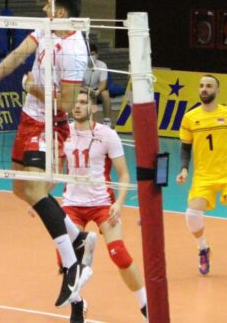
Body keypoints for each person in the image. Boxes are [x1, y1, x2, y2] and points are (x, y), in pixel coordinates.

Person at [0, 0, 95, 307]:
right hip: (28, 119)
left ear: (63, 13)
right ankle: (79, 237)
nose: (44, 8)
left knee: (35, 189)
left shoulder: (74, 50)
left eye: (50, 5)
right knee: (21, 189)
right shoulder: (44, 29)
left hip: (50, 126)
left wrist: (32, 87)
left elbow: (68, 105)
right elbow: (16, 57)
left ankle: (71, 265)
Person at [62, 92, 147, 322]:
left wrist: (119, 203)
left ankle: (145, 305)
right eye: (75, 102)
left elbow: (124, 174)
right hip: (72, 204)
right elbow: (55, 170)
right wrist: (39, 198)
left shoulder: (108, 135)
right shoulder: (63, 133)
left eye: (83, 102)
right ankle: (78, 304)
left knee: (118, 253)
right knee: (66, 262)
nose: (77, 106)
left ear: (93, 108)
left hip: (102, 203)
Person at [176, 74, 227, 278]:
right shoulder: (190, 117)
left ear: (218, 90)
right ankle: (203, 249)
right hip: (203, 176)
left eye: (209, 86)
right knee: (191, 217)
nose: (204, 89)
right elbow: (185, 148)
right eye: (202, 86)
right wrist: (184, 169)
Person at [84, 43, 112, 128]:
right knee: (73, 92)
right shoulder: (80, 64)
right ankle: (72, 119)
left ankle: (107, 121)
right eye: (88, 54)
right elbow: (76, 84)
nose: (90, 56)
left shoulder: (102, 65)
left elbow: (103, 83)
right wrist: (86, 90)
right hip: (83, 88)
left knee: (105, 94)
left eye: (92, 54)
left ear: (97, 55)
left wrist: (97, 91)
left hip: (97, 89)